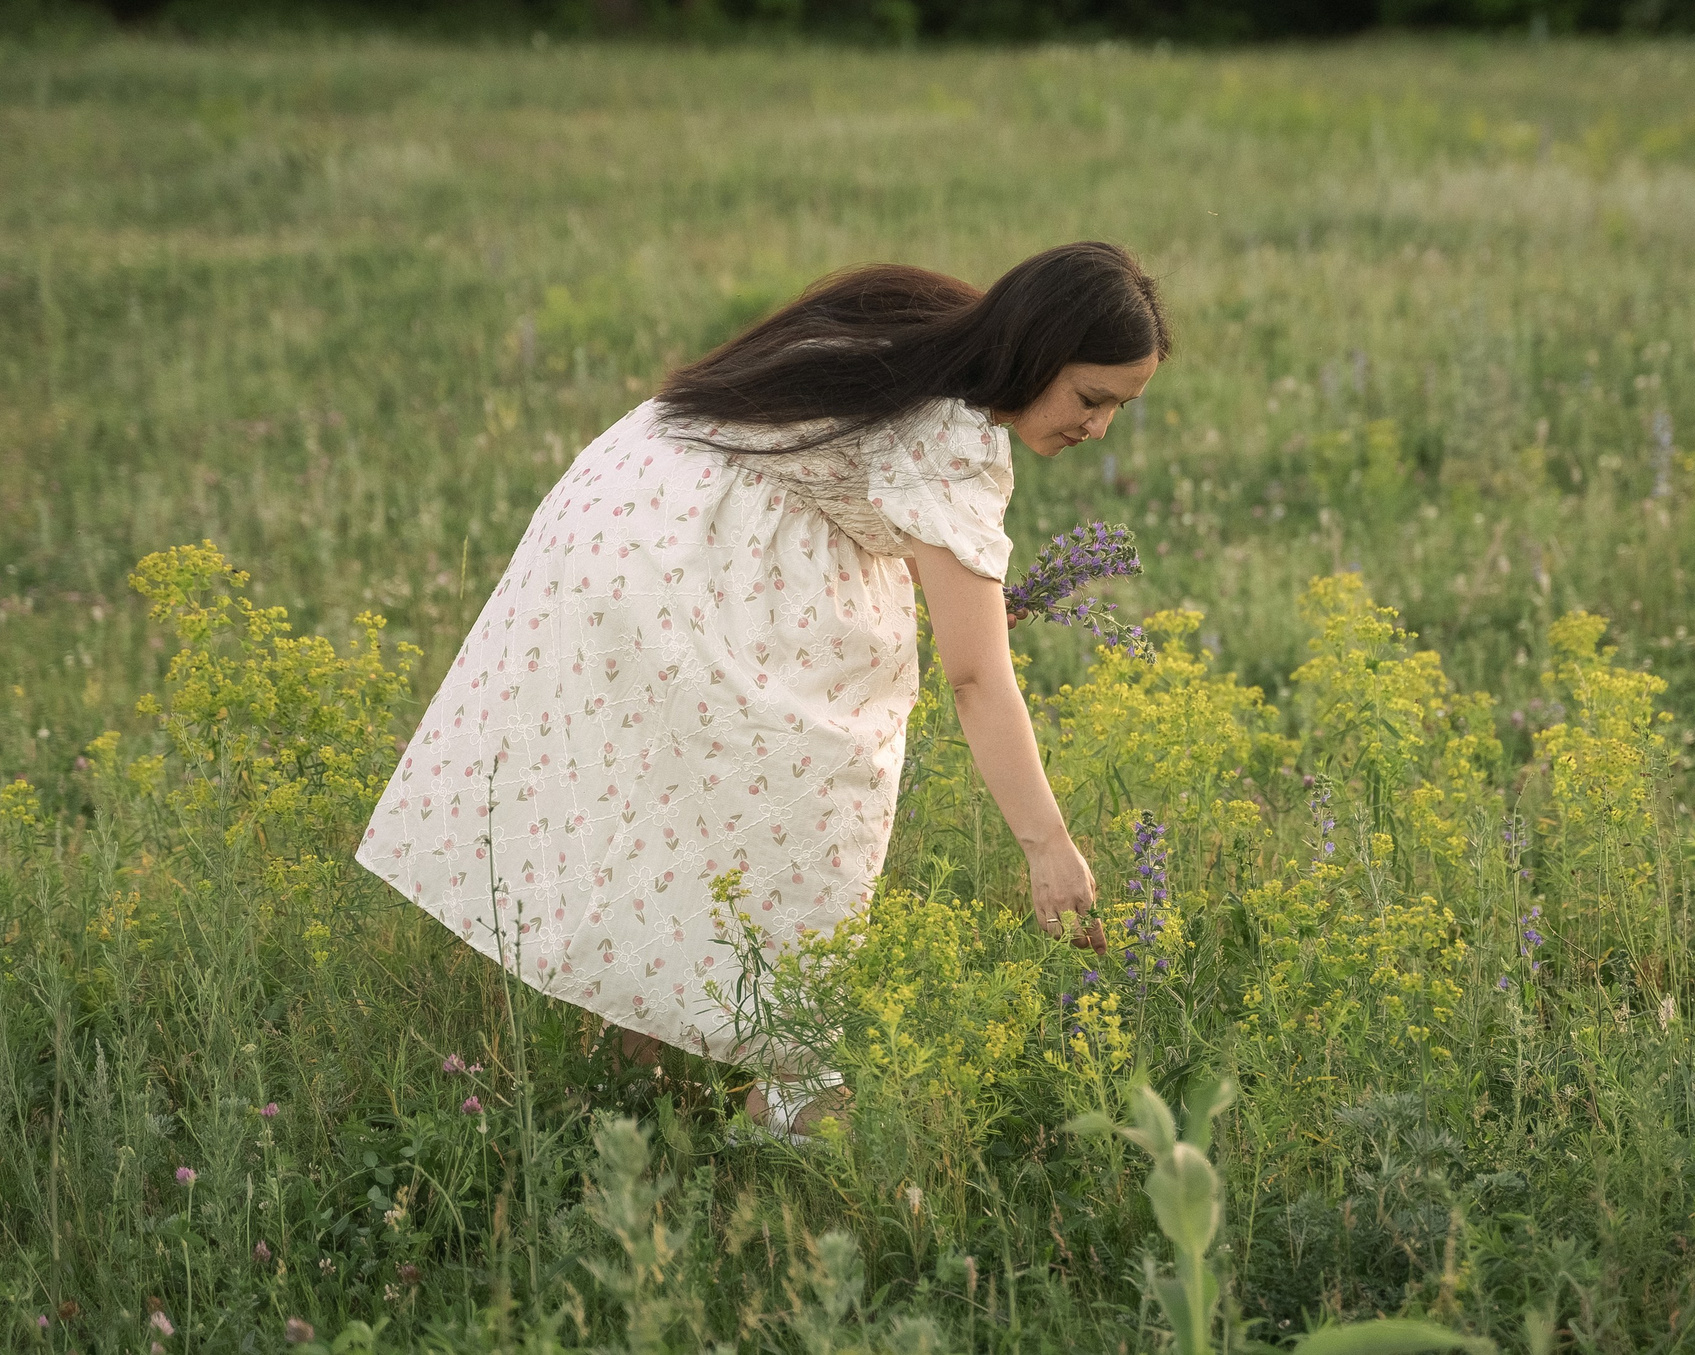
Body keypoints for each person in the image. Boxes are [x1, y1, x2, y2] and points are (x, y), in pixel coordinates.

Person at [357, 241, 1168, 1136]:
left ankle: (654, 1069)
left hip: (632, 500)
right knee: (808, 800)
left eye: (1119, 410)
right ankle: (791, 1095)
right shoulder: (954, 435)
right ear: (1037, 348)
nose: (1099, 430)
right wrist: (1047, 847)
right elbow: (976, 678)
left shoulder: (925, 321)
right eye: (1091, 398)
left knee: (698, 812)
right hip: (678, 558)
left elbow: (842, 472)